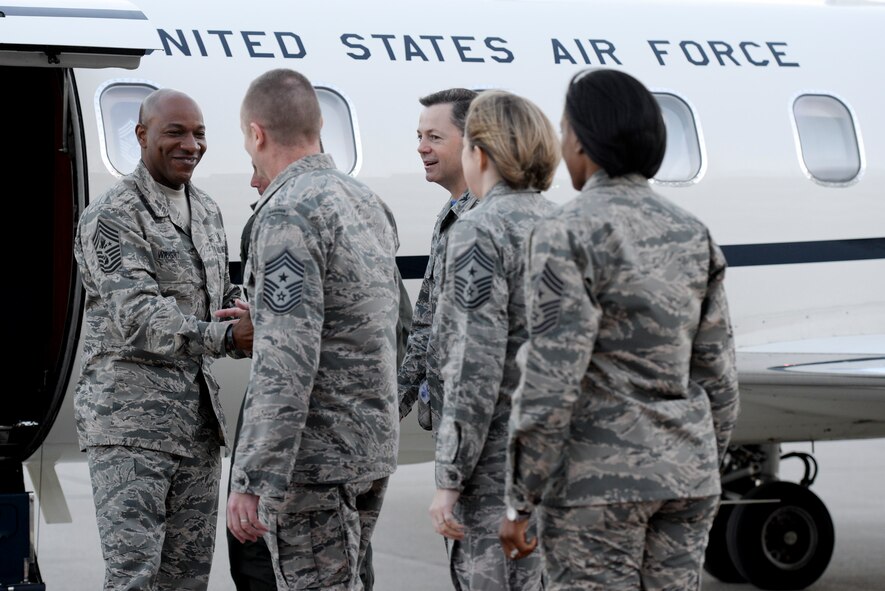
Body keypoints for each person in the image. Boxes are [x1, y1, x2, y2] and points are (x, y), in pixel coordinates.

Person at [500, 68, 741, 590]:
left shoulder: (565, 231)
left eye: (565, 132)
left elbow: (551, 379)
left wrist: (522, 497)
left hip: (597, 484)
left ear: (585, 142)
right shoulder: (691, 232)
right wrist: (702, 461)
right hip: (686, 478)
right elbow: (717, 374)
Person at [225, 68, 401, 591]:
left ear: (256, 134)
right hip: (368, 445)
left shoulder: (286, 215)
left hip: (315, 462)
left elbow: (286, 361)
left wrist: (254, 476)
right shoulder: (365, 201)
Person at [73, 88, 243, 591]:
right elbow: (141, 315)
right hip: (131, 425)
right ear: (142, 136)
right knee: (134, 577)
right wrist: (229, 336)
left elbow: (218, 292)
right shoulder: (113, 215)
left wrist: (254, 309)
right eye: (175, 132)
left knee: (187, 577)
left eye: (199, 133)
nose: (191, 144)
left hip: (195, 424)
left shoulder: (206, 210)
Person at [428, 90, 559, 590]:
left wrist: (449, 479)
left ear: (478, 153)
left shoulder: (480, 231)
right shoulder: (570, 227)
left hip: (498, 473)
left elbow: (473, 368)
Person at [398, 87, 479, 433]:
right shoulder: (450, 214)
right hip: (452, 423)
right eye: (419, 136)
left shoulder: (489, 219)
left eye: (434, 137)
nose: (421, 148)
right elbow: (426, 325)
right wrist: (394, 403)